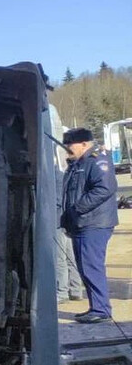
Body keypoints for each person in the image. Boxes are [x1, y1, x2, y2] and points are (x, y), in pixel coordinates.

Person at [61, 127, 119, 323]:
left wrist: (78, 208)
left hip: (94, 223)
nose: (67, 148)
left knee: (91, 266)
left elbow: (105, 188)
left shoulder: (96, 160)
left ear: (85, 144)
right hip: (83, 222)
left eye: (71, 144)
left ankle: (101, 309)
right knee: (85, 267)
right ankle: (96, 306)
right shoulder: (78, 163)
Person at [55, 152, 85, 302]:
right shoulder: (70, 174)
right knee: (71, 256)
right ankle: (75, 290)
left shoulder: (56, 175)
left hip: (58, 220)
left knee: (60, 258)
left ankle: (62, 292)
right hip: (68, 219)